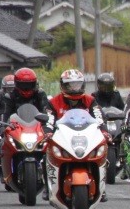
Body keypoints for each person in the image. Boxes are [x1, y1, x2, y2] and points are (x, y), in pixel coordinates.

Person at [45, 69, 110, 201]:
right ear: (63, 86)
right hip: (62, 137)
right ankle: (48, 188)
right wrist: (47, 132)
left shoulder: (90, 100)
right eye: (71, 85)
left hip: (85, 135)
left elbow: (99, 117)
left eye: (78, 85)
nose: (75, 89)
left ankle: (102, 188)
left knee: (103, 153)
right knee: (44, 153)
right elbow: (49, 119)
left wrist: (104, 131)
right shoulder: (53, 102)